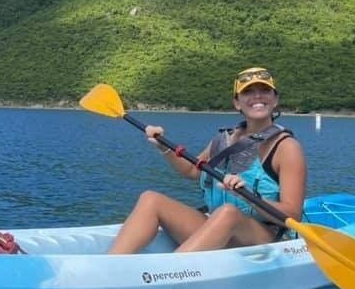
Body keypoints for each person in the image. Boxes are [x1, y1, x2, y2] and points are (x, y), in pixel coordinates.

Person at [108, 67, 307, 253]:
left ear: (275, 99)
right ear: (237, 102)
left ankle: (167, 273)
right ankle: (111, 265)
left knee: (228, 213)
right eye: (248, 92)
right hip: (220, 226)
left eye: (265, 90)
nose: (257, 96)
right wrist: (162, 147)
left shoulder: (287, 148)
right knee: (150, 199)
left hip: (265, 238)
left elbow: (292, 214)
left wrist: (248, 196)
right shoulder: (224, 139)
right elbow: (192, 171)